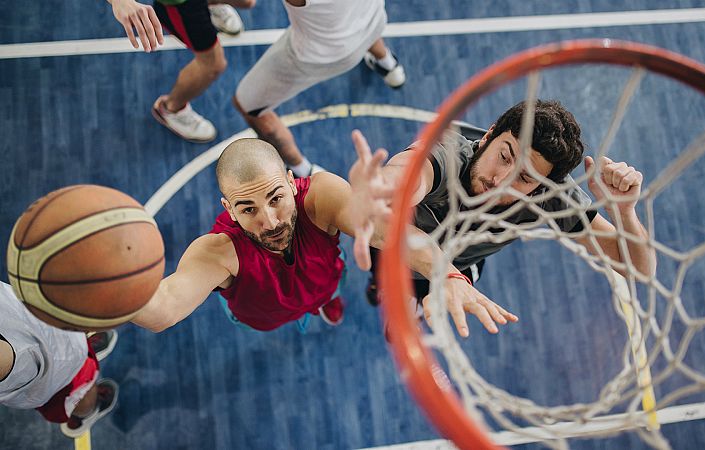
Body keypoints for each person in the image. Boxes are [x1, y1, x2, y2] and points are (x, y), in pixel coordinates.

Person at [131, 137, 516, 335]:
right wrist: (103, 296)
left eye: (276, 199)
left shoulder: (321, 196)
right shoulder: (216, 252)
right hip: (264, 314)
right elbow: (163, 309)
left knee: (328, 290)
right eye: (247, 209)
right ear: (228, 208)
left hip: (323, 279)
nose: (269, 221)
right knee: (277, 314)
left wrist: (448, 274)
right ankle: (313, 306)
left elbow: (390, 233)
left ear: (289, 180)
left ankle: (323, 303)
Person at [351, 100, 657, 338]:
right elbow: (408, 177)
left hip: (460, 265)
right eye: (505, 156)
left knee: (416, 297)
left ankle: (410, 307)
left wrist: (624, 212)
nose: (500, 180)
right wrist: (383, 186)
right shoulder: (445, 154)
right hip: (401, 249)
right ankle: (386, 292)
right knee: (384, 278)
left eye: (524, 177)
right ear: (489, 135)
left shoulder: (548, 196)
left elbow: (639, 269)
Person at [233, 0, 407, 177]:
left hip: (322, 54)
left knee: (248, 104)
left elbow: (246, 2)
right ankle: (388, 65)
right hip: (372, 20)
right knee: (359, 22)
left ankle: (301, 170)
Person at [107, 0, 256, 143]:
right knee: (213, 65)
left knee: (247, 2)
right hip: (183, 5)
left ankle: (210, 4)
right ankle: (171, 109)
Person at [0, 282, 119, 438]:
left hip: (40, 328)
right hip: (54, 372)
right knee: (77, 389)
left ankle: (81, 346)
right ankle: (86, 411)